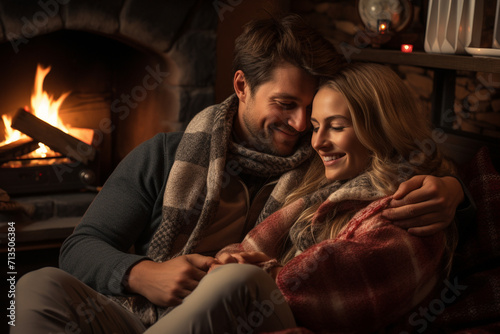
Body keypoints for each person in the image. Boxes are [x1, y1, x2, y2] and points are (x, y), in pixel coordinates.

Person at [13, 15, 468, 334]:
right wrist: (143, 273)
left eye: (313, 113)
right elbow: (79, 247)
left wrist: (453, 188)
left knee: (237, 282)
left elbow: (399, 154)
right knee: (38, 284)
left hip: (244, 316)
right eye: (285, 105)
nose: (300, 127)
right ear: (241, 86)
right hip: (148, 313)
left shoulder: (327, 164)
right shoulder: (166, 155)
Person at [144, 62, 460, 333]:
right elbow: (248, 248)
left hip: (294, 316)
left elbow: (336, 287)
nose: (317, 142)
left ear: (381, 128)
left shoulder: (412, 205)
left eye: (336, 127)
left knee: (238, 282)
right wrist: (232, 259)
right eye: (315, 126)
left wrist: (258, 271)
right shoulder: (318, 187)